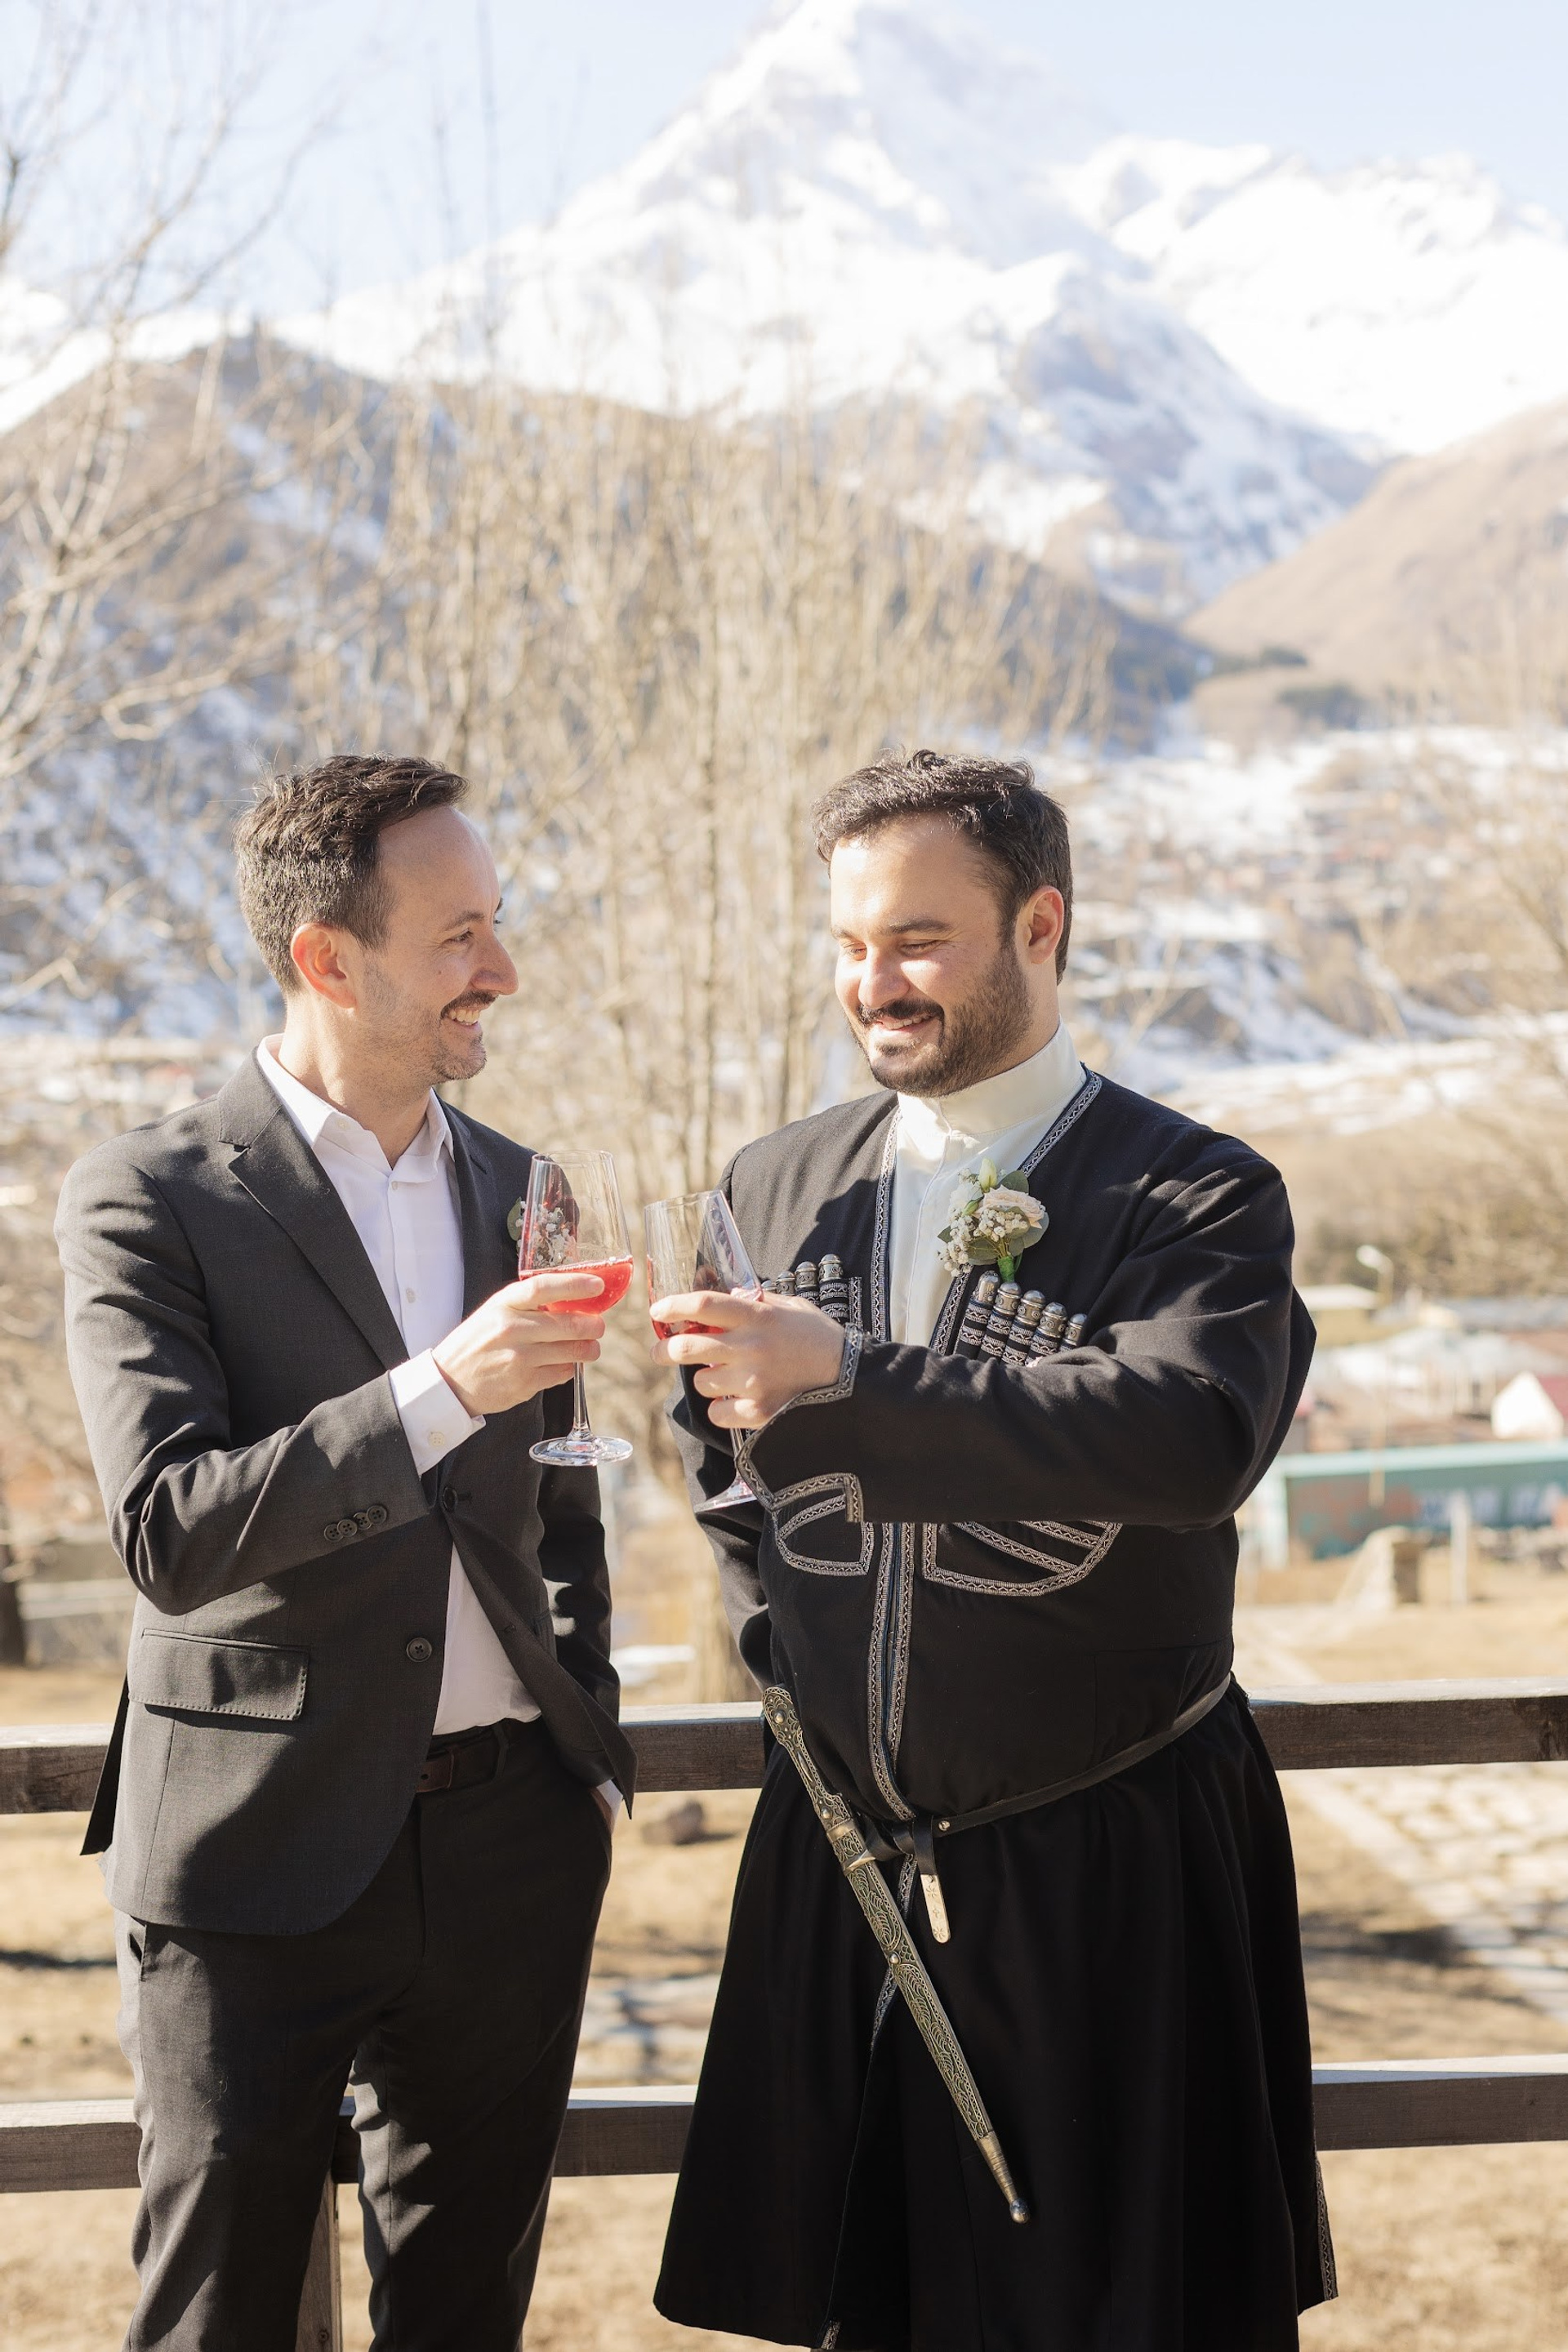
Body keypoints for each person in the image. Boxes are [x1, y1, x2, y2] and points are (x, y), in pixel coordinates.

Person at [650, 750, 1333, 2352]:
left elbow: (1189, 1434)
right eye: (844, 944)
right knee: (866, 2313)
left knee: (1131, 2312)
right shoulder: (771, 1187)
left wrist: (858, 1377)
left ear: (1042, 924)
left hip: (1112, 1859)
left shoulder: (1198, 1193)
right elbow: (719, 1463)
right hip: (844, 1859)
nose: (869, 983)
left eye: (916, 940)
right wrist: (792, 1668)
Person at [56, 754, 635, 2352]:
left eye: (495, 928)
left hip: (512, 1854)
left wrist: (583, 1743)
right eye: (460, 938)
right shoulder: (145, 1198)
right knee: (220, 2322)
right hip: (251, 1867)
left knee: (465, 2324)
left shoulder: (529, 1190)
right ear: (329, 957)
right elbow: (172, 1531)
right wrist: (447, 1383)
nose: (500, 971)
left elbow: (561, 1502)